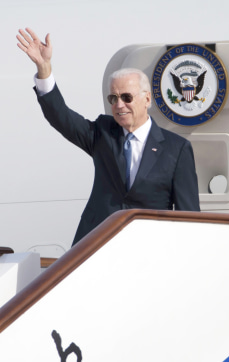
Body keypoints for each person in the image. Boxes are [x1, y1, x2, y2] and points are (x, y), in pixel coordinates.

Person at [17, 28, 200, 246]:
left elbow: (189, 216)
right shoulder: (102, 133)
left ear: (147, 99)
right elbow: (61, 117)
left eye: (126, 97)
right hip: (97, 244)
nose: (119, 104)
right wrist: (44, 68)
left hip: (149, 249)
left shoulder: (176, 149)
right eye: (113, 98)